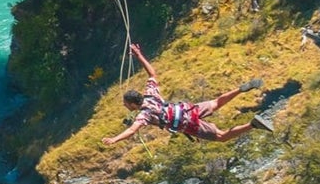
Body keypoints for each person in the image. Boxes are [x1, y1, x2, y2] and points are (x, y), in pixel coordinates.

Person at [103, 44, 269, 145]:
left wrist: (114, 139)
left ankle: (253, 125)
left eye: (126, 104)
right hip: (188, 109)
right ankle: (240, 89)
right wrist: (139, 55)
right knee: (217, 102)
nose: (125, 106)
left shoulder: (144, 115)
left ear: (133, 104)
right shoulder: (151, 94)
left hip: (188, 123)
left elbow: (132, 131)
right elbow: (152, 74)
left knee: (222, 137)